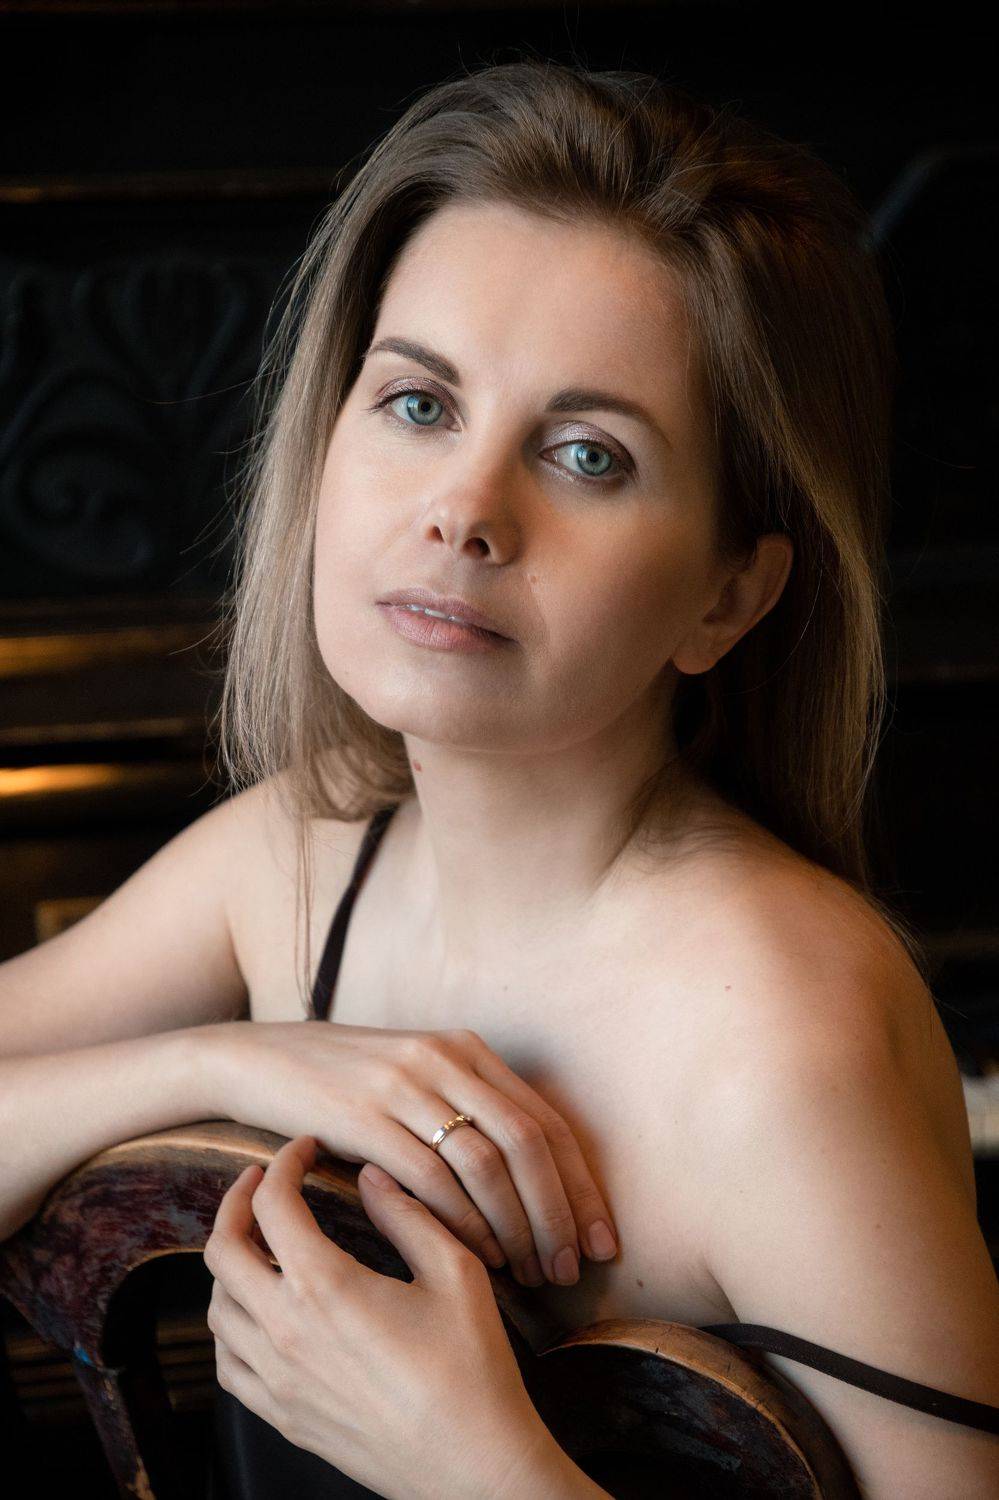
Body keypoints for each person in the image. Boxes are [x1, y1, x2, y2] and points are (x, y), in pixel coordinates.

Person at [1, 59, 996, 1500]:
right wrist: (219, 1064)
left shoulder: (781, 1036)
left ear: (727, 594)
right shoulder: (299, 858)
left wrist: (473, 1466)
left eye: (588, 454)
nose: (465, 510)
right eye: (418, 405)